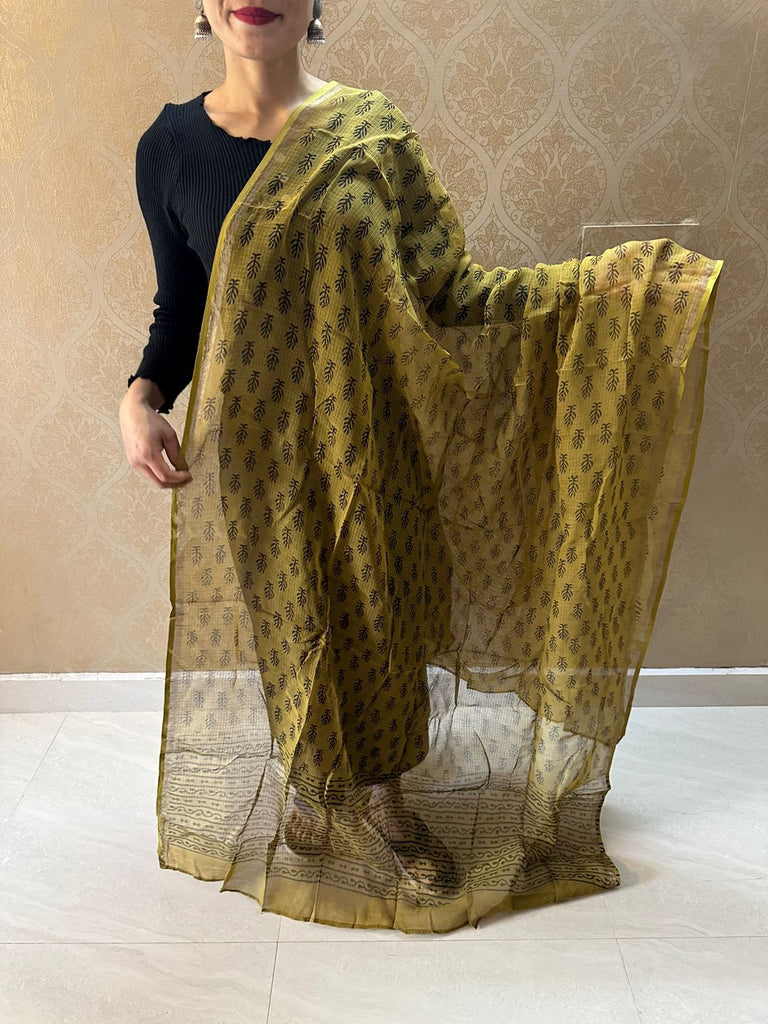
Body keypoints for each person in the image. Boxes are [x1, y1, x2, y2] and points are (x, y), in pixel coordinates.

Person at [119, 0, 723, 934]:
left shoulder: (372, 135)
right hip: (257, 452)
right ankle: (314, 787)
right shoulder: (168, 148)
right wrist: (142, 396)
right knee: (292, 616)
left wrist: (599, 287)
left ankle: (387, 804)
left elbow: (450, 289)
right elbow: (184, 305)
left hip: (375, 436)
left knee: (383, 609)